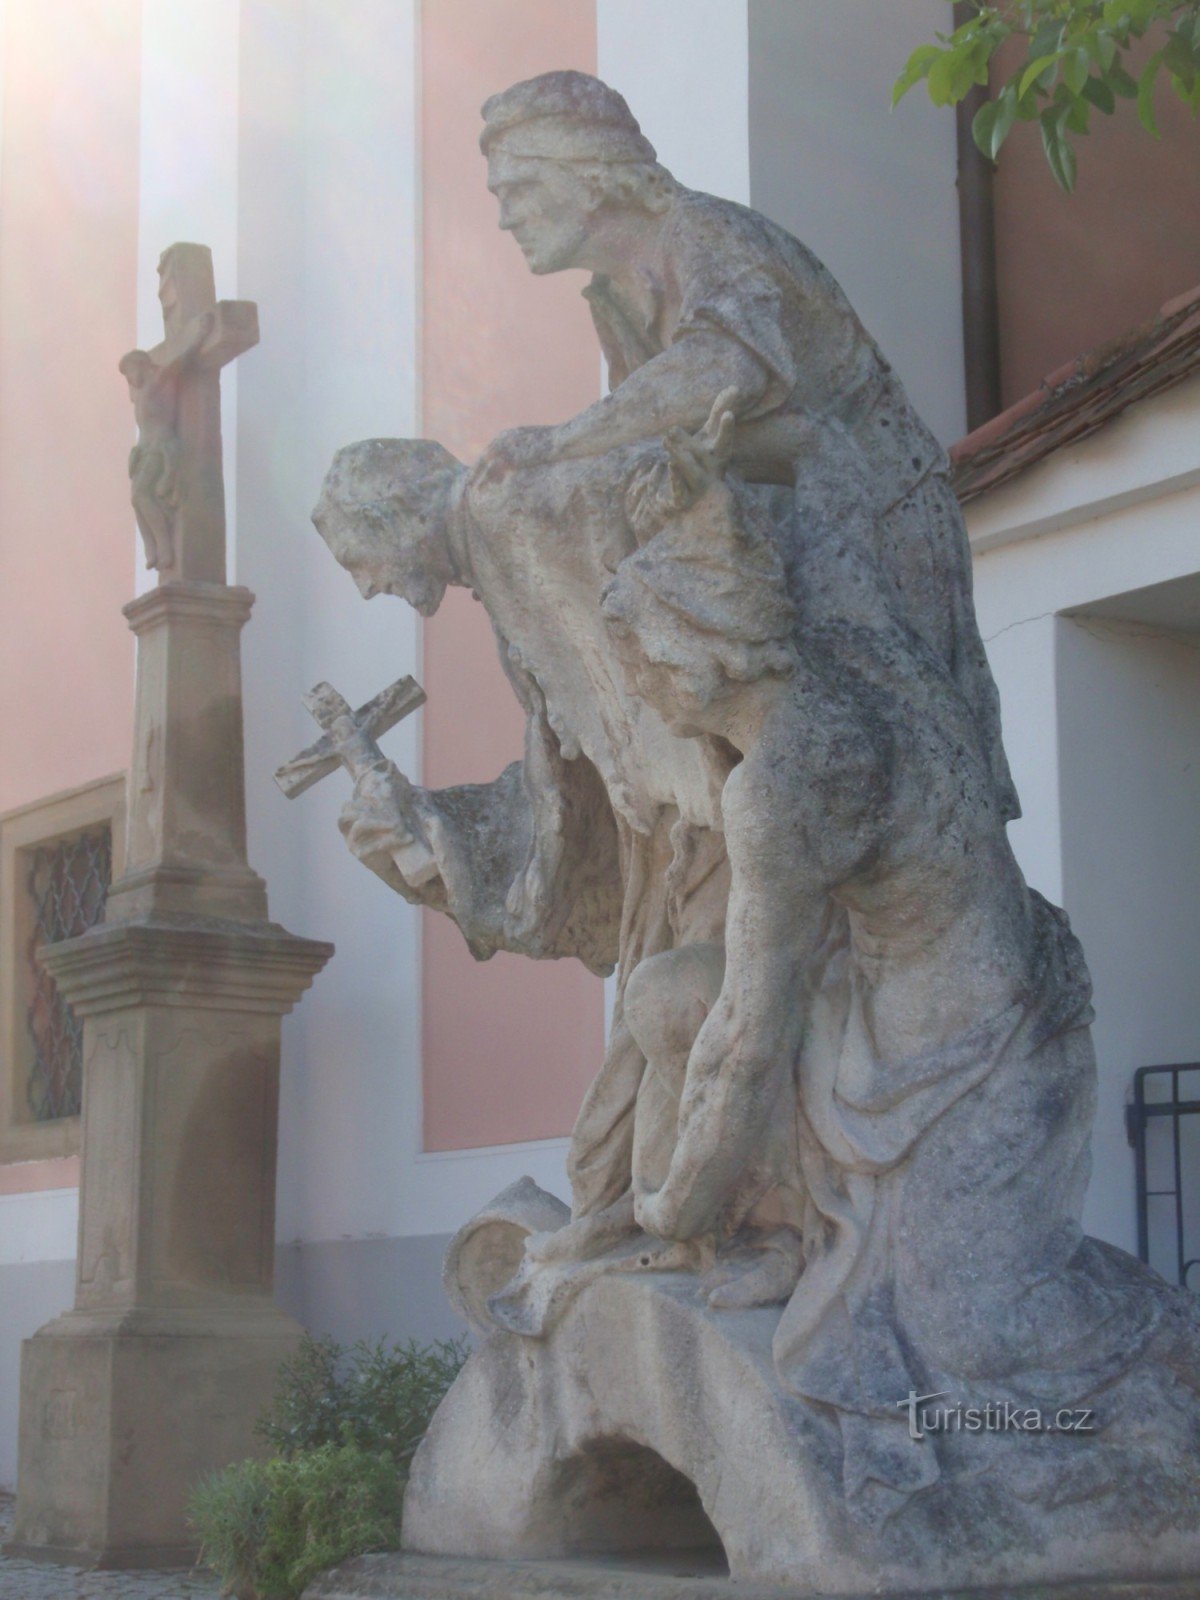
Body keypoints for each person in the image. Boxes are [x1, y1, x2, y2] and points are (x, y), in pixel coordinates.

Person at [598, 407, 1200, 1517]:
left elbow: (746, 1039)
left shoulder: (783, 782)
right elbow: (726, 1012)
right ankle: (787, 1232)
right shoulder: (862, 654)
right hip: (893, 1009)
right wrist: (690, 486)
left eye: (646, 673)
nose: (651, 700)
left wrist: (673, 1202)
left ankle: (1176, 1382)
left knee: (977, 1330)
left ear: (697, 649)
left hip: (981, 1050)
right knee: (665, 993)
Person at [475, 69, 1018, 832]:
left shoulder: (703, 233)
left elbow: (725, 366)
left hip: (872, 512)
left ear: (587, 177)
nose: (505, 219)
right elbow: (676, 441)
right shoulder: (614, 294)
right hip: (786, 525)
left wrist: (563, 443)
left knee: (911, 774)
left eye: (517, 190)